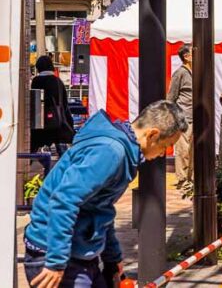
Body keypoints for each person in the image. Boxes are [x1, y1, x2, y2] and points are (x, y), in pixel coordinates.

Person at [24, 100, 188, 288]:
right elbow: (64, 201)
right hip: (54, 251)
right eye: (166, 146)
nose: (162, 154)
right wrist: (56, 262)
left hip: (78, 253)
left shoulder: (123, 151)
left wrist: (112, 260)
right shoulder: (110, 152)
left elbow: (100, 208)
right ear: (153, 135)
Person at [30, 55, 75, 154]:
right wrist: (69, 123)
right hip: (56, 122)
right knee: (61, 149)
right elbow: (64, 104)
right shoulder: (57, 81)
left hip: (39, 123)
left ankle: (28, 164)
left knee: (33, 150)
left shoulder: (36, 81)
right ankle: (64, 166)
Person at [167, 44, 193, 187]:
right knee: (183, 150)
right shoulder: (180, 73)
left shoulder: (195, 72)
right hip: (183, 116)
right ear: (186, 56)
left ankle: (191, 178)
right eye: (192, 53)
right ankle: (183, 179)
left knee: (192, 150)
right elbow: (171, 96)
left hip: (195, 116)